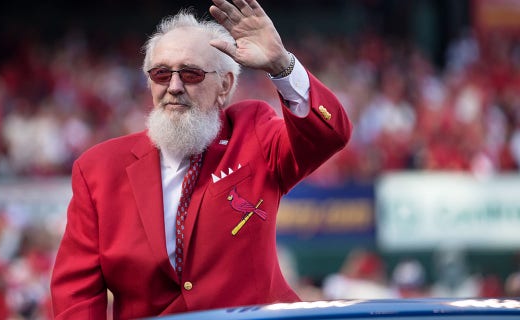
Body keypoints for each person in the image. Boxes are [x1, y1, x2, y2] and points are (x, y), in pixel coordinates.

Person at [50, 0, 352, 319]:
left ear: (225, 85)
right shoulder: (99, 167)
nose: (174, 87)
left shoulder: (253, 131)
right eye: (161, 74)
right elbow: (76, 293)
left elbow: (328, 134)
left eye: (191, 74)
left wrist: (282, 66)